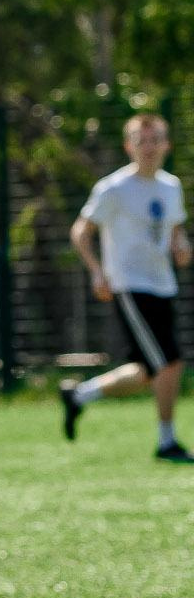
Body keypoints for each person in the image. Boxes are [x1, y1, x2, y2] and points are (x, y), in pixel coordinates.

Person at [61, 113, 192, 462]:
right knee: (170, 362)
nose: (148, 147)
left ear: (166, 144)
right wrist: (96, 272)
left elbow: (177, 235)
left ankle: (78, 396)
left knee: (147, 371)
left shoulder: (171, 186)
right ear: (128, 146)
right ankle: (167, 442)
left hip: (163, 285)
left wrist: (183, 248)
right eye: (140, 140)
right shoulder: (113, 188)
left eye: (155, 140)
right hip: (129, 286)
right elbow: (80, 232)